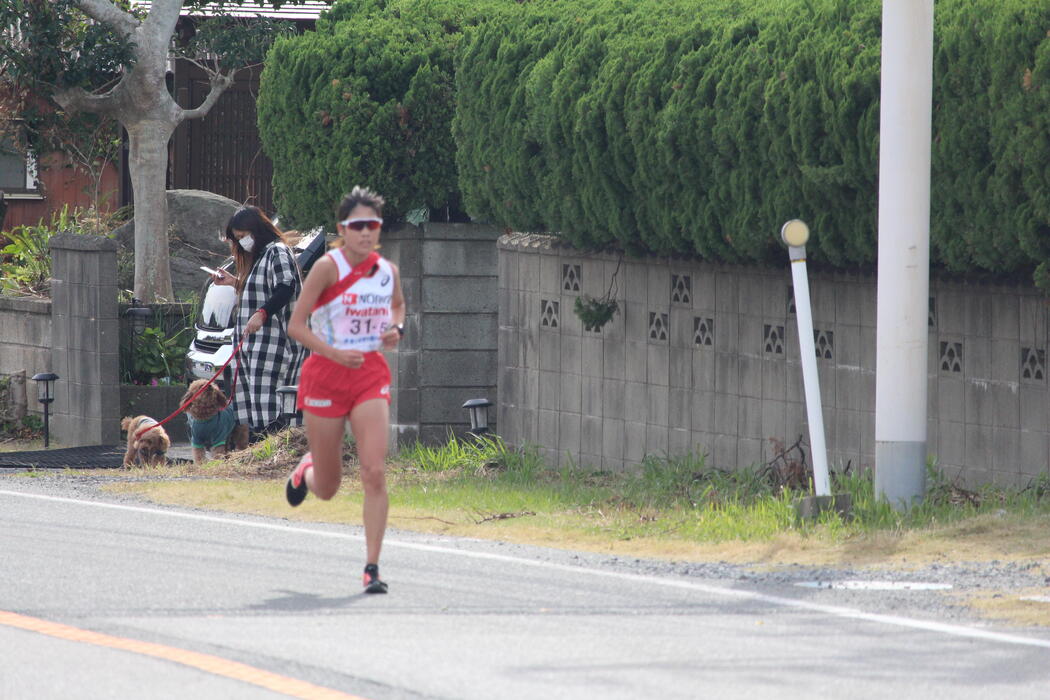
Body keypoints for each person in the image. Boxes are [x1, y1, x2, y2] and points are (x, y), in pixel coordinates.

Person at [284, 186, 405, 594]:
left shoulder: (387, 271)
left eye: (373, 225)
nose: (366, 233)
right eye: (358, 226)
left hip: (370, 373)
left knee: (374, 471)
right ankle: (306, 470)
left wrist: (395, 329)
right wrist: (334, 353)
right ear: (342, 229)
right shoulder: (326, 268)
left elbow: (399, 306)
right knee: (330, 488)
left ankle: (372, 567)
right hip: (325, 376)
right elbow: (296, 326)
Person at [211, 206, 305, 439]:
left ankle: (273, 445)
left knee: (271, 399)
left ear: (256, 229)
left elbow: (285, 287)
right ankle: (264, 446)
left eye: (243, 236)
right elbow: (263, 289)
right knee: (258, 399)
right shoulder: (261, 257)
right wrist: (235, 282)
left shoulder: (277, 252)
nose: (241, 243)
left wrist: (262, 313)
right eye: (238, 239)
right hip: (257, 346)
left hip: (275, 344)